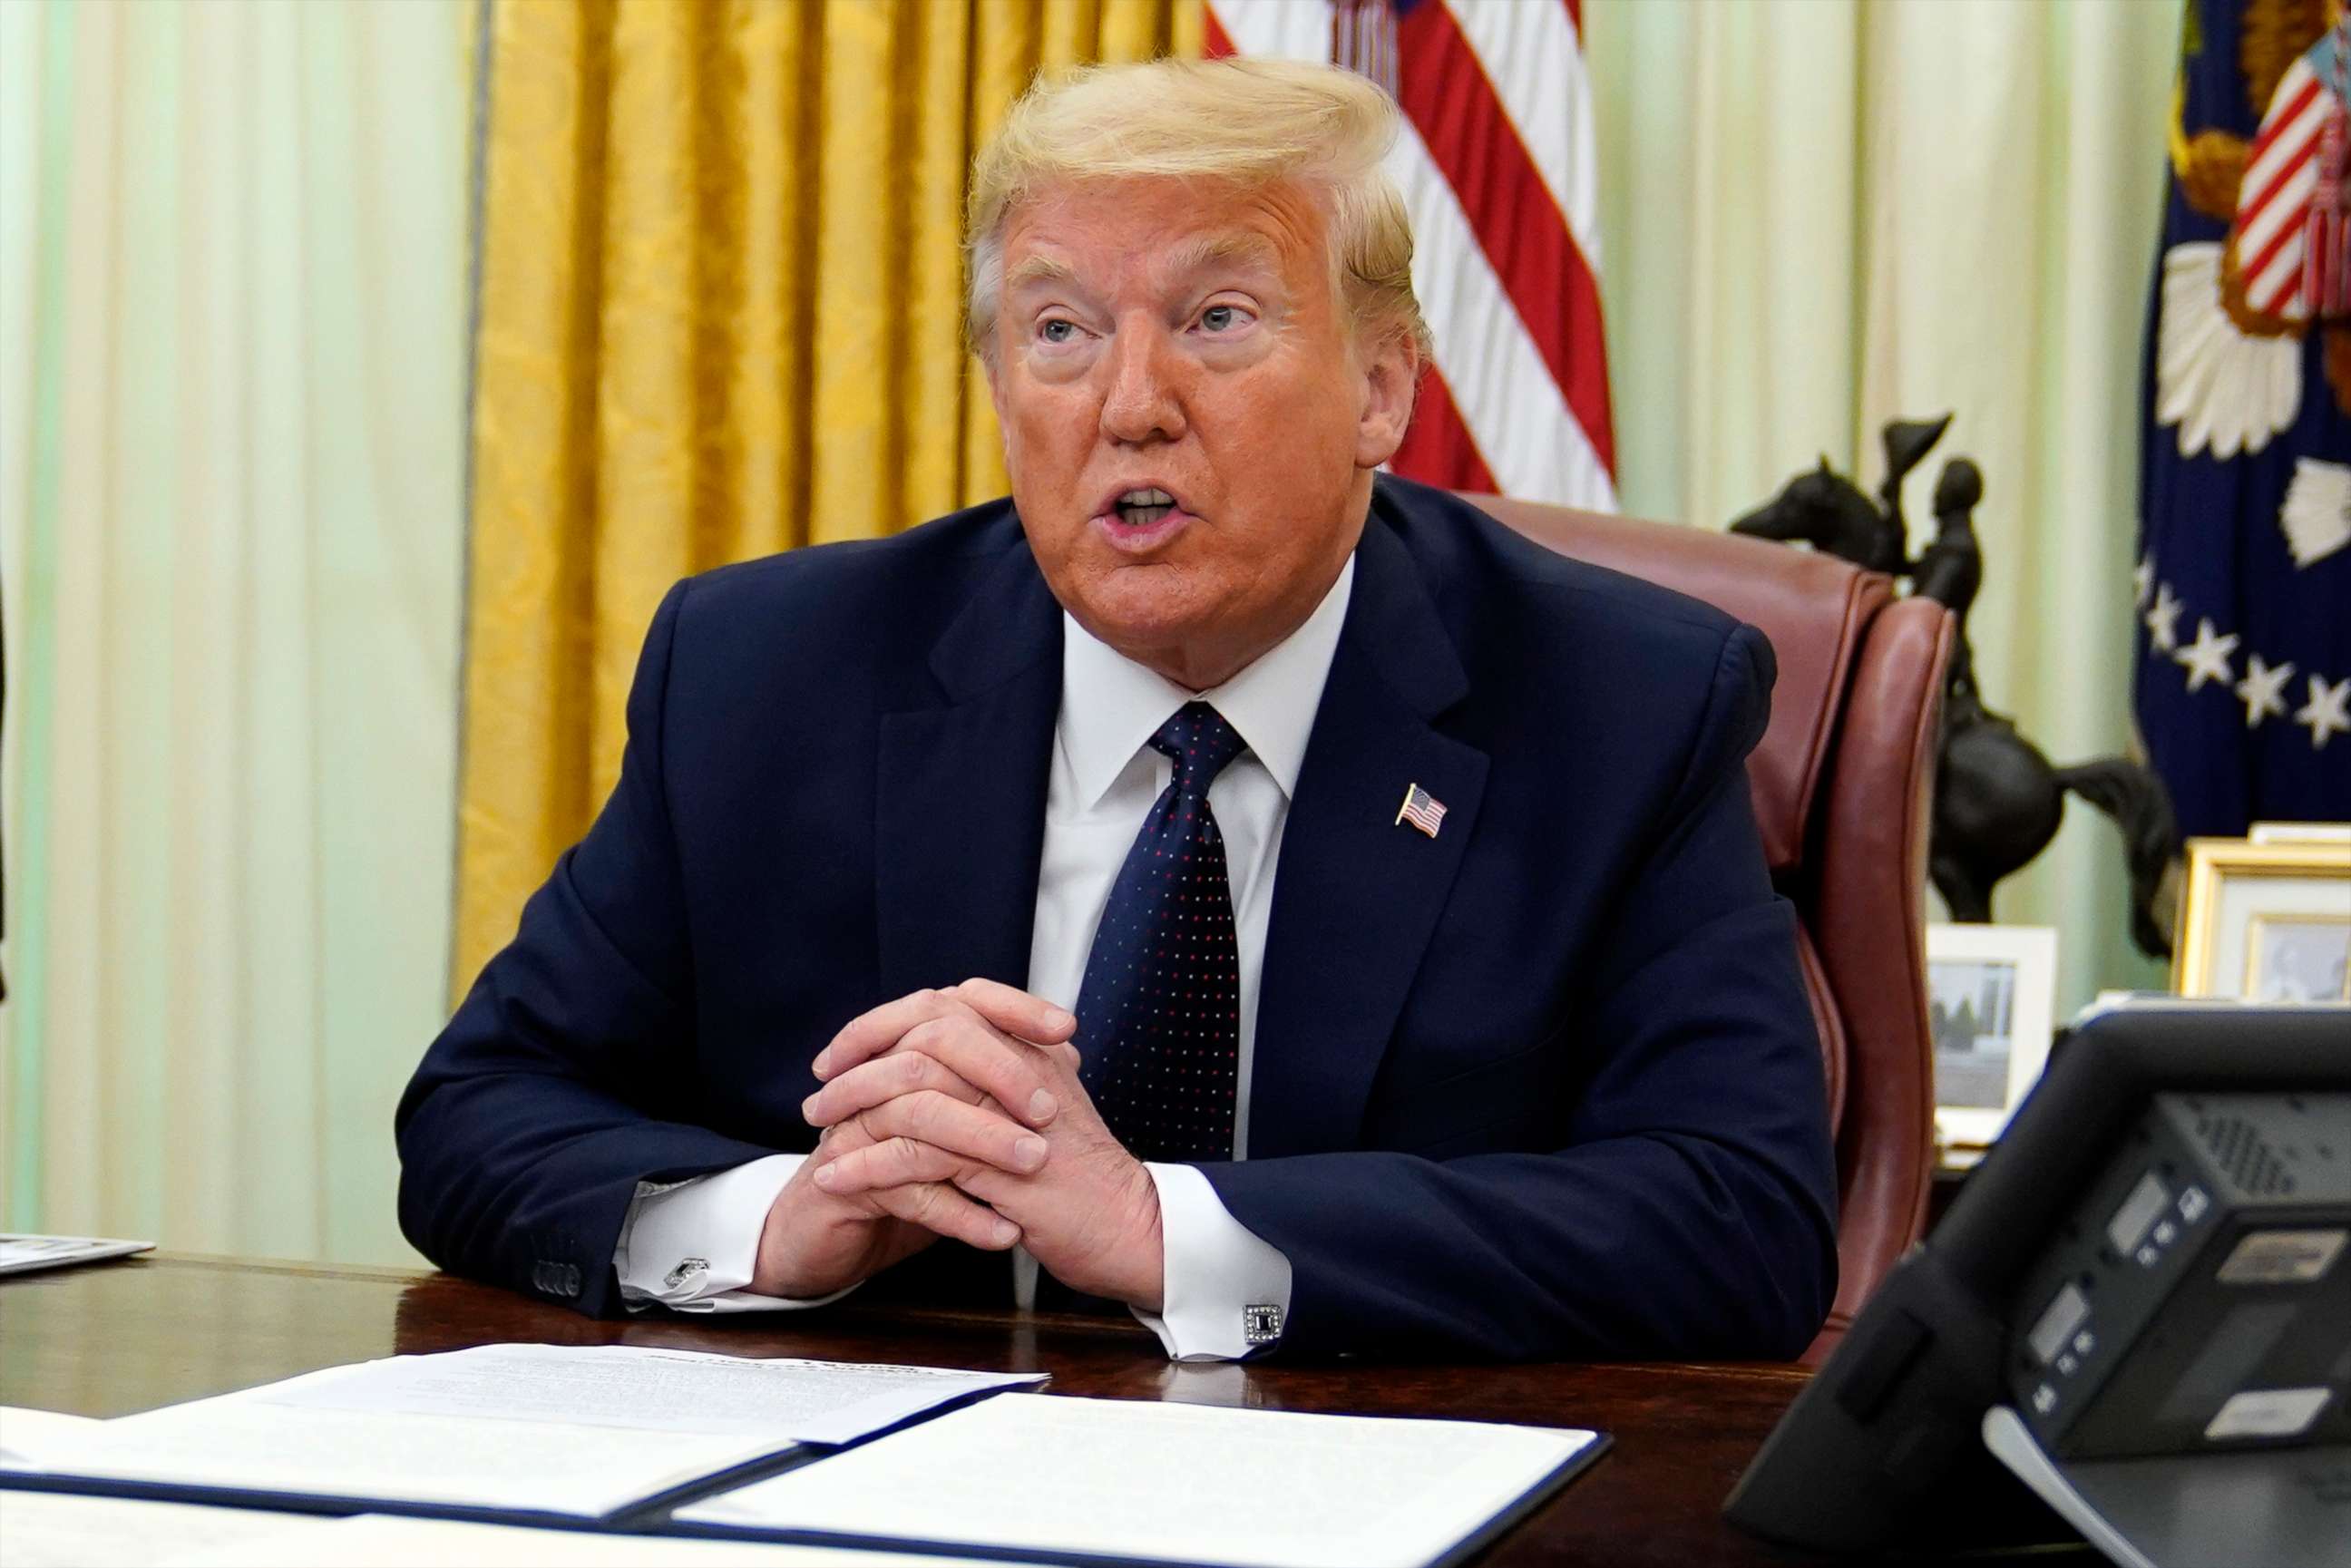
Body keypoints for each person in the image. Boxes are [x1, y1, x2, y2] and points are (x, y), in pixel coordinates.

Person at [396, 56, 1839, 1363]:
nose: (1129, 404)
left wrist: (1164, 1229)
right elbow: (476, 1112)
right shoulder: (768, 672)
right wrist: (778, 1219)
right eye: (1061, 330)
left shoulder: (1620, 704)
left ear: (1383, 386)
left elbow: (1741, 1215)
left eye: (1216, 318)